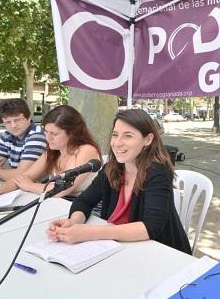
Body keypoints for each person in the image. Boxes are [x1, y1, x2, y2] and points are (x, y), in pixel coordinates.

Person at [46, 109, 191, 254]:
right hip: (120, 249)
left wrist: (89, 233)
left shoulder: (158, 172)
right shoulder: (111, 169)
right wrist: (74, 222)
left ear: (147, 140)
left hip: (162, 253)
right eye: (115, 135)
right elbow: (84, 201)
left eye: (128, 136)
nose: (117, 143)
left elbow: (150, 228)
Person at [0, 105, 101, 200]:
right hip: (57, 204)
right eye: (46, 132)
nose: (48, 138)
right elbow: (24, 177)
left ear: (73, 132)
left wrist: (30, 185)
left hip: (85, 210)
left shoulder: (86, 150)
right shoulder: (53, 151)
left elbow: (61, 189)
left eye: (54, 134)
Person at [0, 98, 46, 182]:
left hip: (42, 189)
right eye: (8, 122)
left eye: (17, 120)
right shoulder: (6, 135)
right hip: (19, 188)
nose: (13, 126)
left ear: (29, 117)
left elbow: (22, 176)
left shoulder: (37, 136)